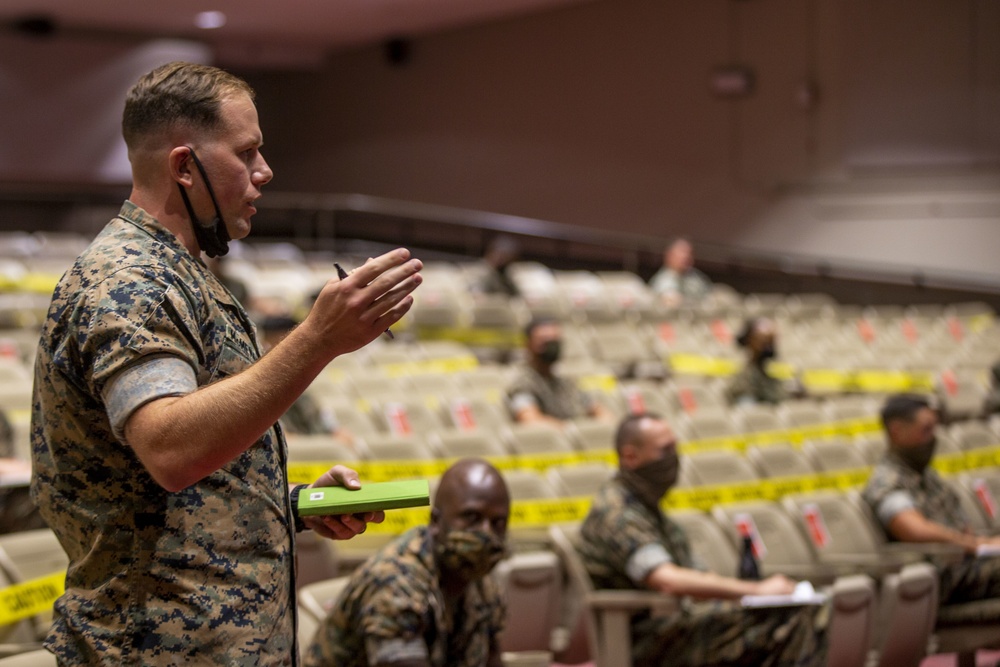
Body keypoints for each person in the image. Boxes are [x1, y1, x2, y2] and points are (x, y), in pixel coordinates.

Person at [30, 61, 423, 665]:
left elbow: (162, 495)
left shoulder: (181, 275)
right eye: (247, 154)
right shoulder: (129, 278)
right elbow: (170, 449)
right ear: (184, 167)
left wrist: (288, 505)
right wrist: (317, 338)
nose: (264, 173)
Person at [578, 414, 829, 667]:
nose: (674, 458)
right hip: (644, 637)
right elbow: (668, 581)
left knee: (791, 611)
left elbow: (696, 574)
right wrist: (757, 591)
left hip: (677, 624)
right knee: (781, 620)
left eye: (674, 448)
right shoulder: (615, 511)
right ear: (630, 456)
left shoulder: (649, 509)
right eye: (664, 450)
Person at [303, 458, 510, 667]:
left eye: (498, 523)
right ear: (436, 522)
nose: (487, 533)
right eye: (472, 517)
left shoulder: (484, 585)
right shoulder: (394, 581)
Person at [861, 394, 1000, 608]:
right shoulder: (887, 481)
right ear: (897, 431)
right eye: (925, 430)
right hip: (942, 576)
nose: (933, 438)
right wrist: (976, 545)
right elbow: (916, 530)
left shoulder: (926, 475)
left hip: (967, 565)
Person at [260, 314, 356, 448]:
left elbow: (329, 427)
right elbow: (281, 439)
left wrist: (335, 435)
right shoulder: (260, 388)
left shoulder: (301, 385)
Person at [506, 318, 612, 427]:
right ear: (528, 344)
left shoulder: (567, 383)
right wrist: (571, 431)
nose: (551, 347)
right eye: (544, 341)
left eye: (555, 342)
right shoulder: (523, 385)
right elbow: (531, 420)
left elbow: (600, 411)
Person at [725, 317, 794, 406]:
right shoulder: (744, 374)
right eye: (762, 341)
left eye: (770, 342)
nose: (767, 347)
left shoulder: (776, 371)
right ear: (750, 341)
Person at [648, 238, 712, 307]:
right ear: (670, 255)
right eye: (682, 252)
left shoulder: (696, 276)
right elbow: (670, 301)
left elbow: (709, 294)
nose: (686, 256)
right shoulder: (663, 279)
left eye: (690, 253)